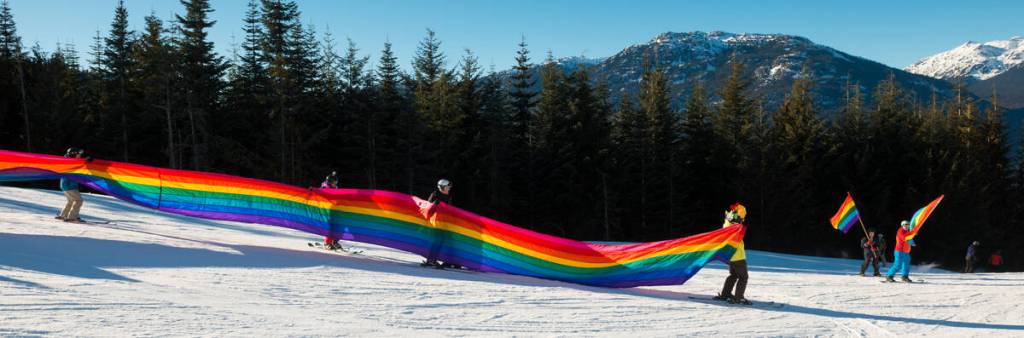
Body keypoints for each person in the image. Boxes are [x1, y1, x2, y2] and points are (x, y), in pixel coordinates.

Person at [713, 203, 751, 305]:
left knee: (733, 275)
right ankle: (738, 298)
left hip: (731, 256)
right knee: (743, 277)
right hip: (738, 256)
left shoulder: (727, 224)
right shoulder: (735, 227)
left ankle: (726, 294)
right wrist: (739, 221)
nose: (743, 220)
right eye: (742, 217)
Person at [422, 179, 453, 268]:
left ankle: (448, 261)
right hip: (435, 223)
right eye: (448, 187)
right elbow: (427, 207)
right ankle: (431, 260)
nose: (449, 188)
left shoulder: (449, 196)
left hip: (445, 223)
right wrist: (435, 204)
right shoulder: (435, 194)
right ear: (442, 187)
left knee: (445, 242)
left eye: (449, 187)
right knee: (437, 241)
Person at [55, 147, 91, 223]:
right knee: (78, 200)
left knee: (71, 201)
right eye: (78, 154)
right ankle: (72, 217)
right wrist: (86, 161)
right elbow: (78, 166)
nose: (80, 156)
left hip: (65, 185)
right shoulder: (70, 162)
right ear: (73, 154)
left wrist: (86, 160)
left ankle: (63, 215)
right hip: (70, 185)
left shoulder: (68, 161)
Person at [318, 172, 345, 251]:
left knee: (340, 226)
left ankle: (335, 241)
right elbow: (318, 194)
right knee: (331, 227)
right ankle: (327, 243)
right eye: (334, 182)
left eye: (336, 182)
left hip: (335, 211)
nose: (335, 184)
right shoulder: (324, 188)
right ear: (330, 182)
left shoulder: (335, 188)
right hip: (327, 211)